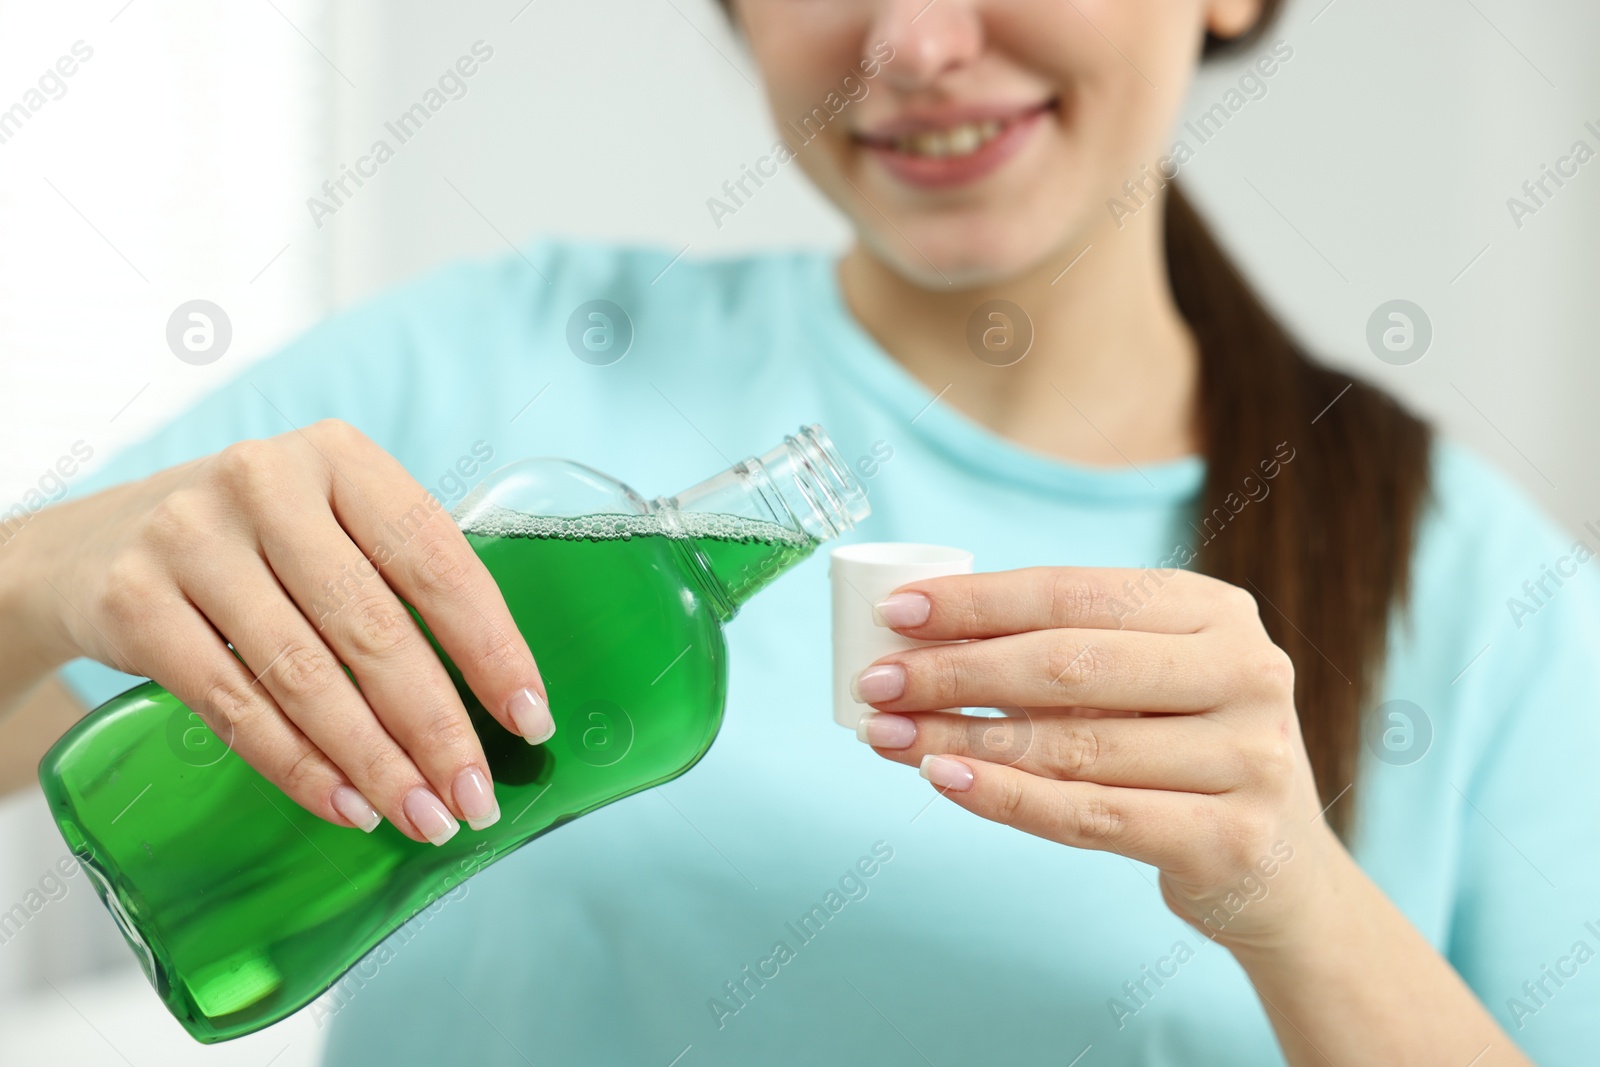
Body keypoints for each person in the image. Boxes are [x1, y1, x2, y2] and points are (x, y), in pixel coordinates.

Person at [2, 0, 1596, 1062]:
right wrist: (47, 575)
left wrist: (1289, 894)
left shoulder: (1490, 591)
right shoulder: (494, 362)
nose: (913, 41)